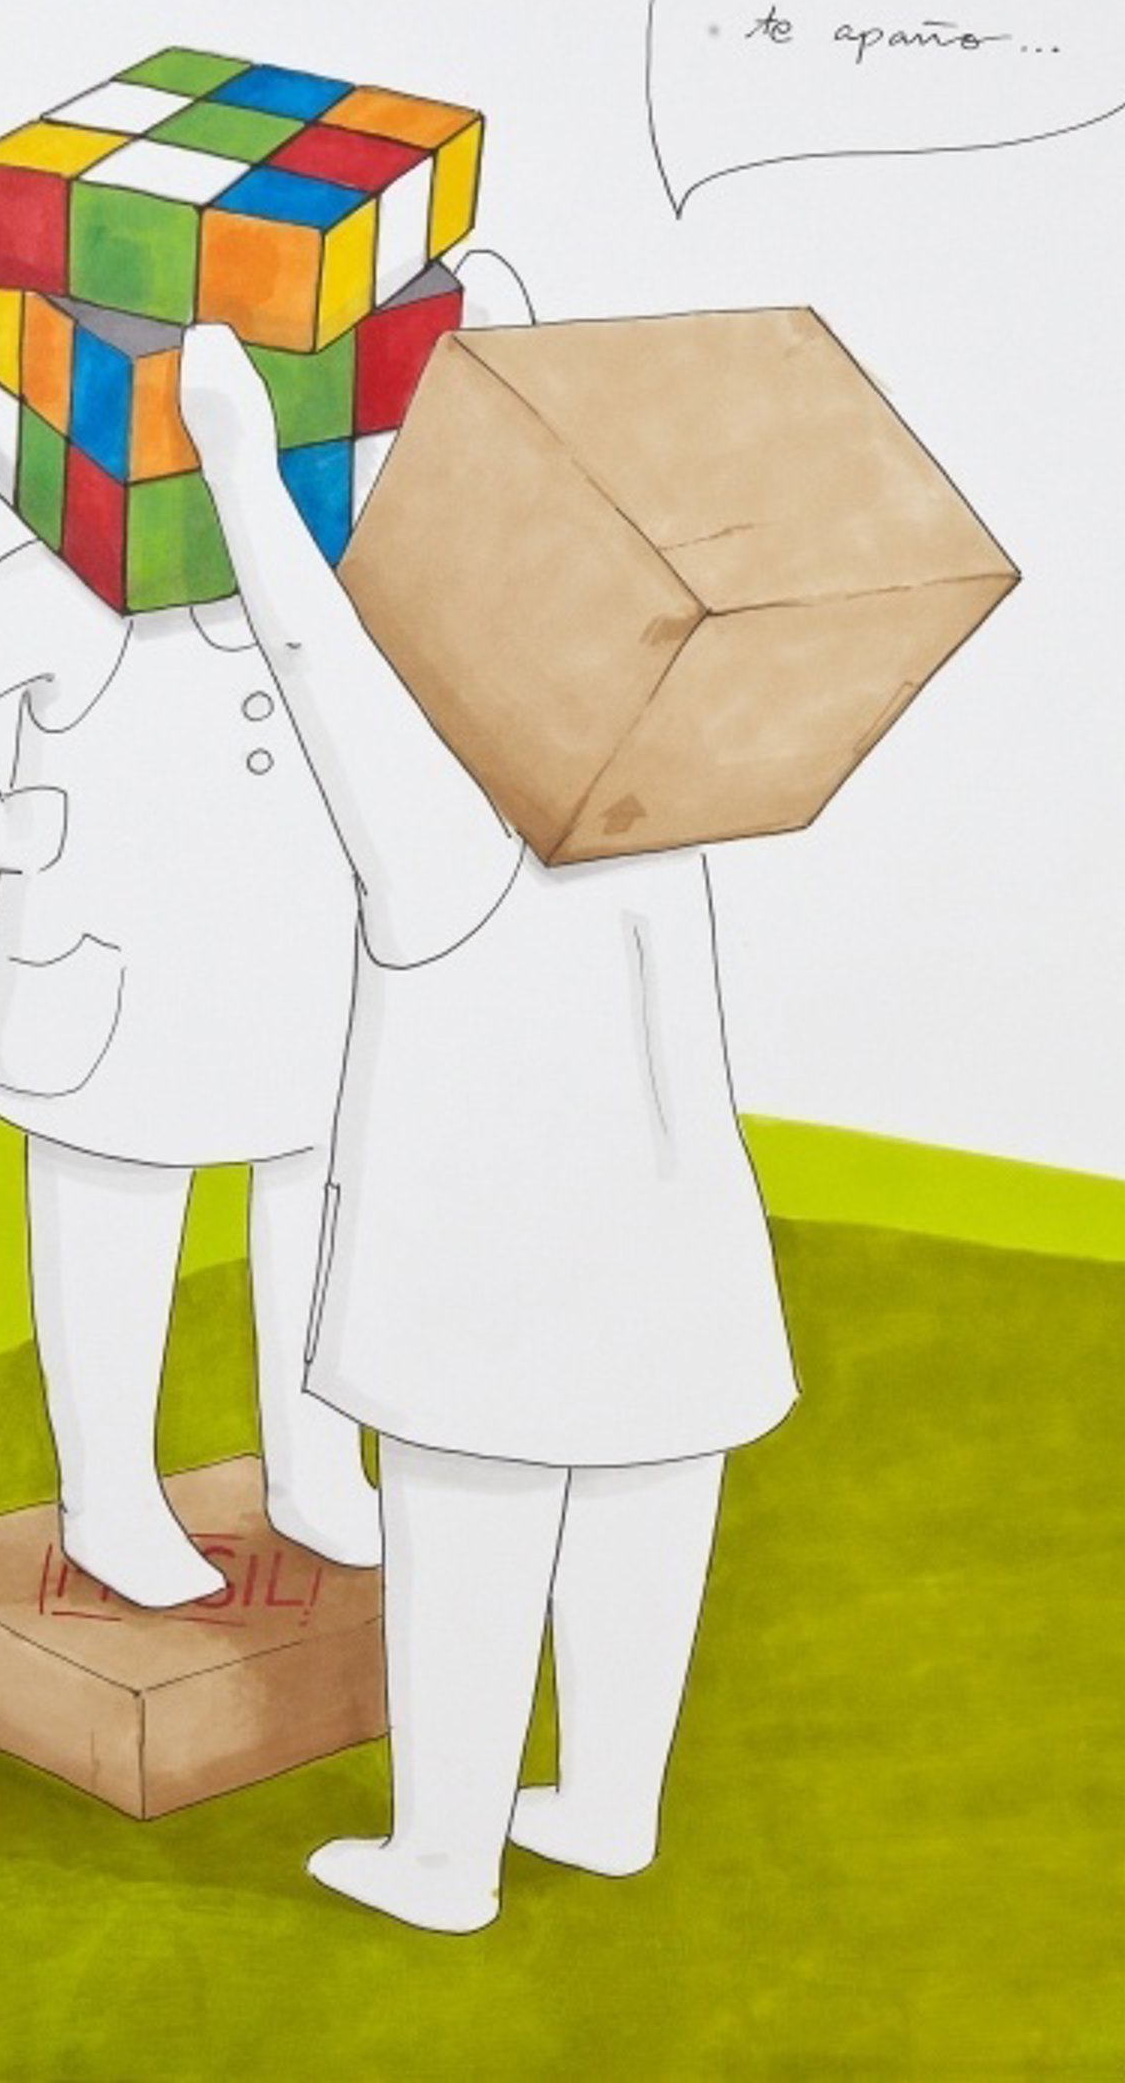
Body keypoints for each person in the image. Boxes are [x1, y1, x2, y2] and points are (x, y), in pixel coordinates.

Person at [175, 304, 800, 1935]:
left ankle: (444, 1860)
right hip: (682, 1284)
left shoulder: (451, 838)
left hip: (491, 1306)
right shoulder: (663, 809)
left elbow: (317, 662)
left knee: (469, 1546)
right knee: (646, 1523)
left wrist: (240, 462)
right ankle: (608, 1807)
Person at [0, 534, 378, 1609]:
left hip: (298, 980)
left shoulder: (320, 569)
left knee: (315, 1206)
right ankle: (110, 1500)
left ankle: (317, 1471)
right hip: (118, 995)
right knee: (116, 1221)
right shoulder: (77, 579)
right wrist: (2, 832)